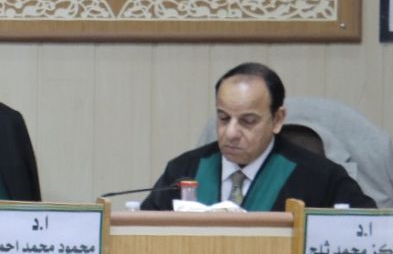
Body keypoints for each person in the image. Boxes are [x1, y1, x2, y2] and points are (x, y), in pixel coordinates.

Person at [141, 62, 374, 211]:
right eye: (223, 118)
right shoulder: (184, 171)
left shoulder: (321, 178)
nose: (230, 133)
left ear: (277, 119)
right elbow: (144, 237)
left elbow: (368, 234)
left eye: (248, 121)